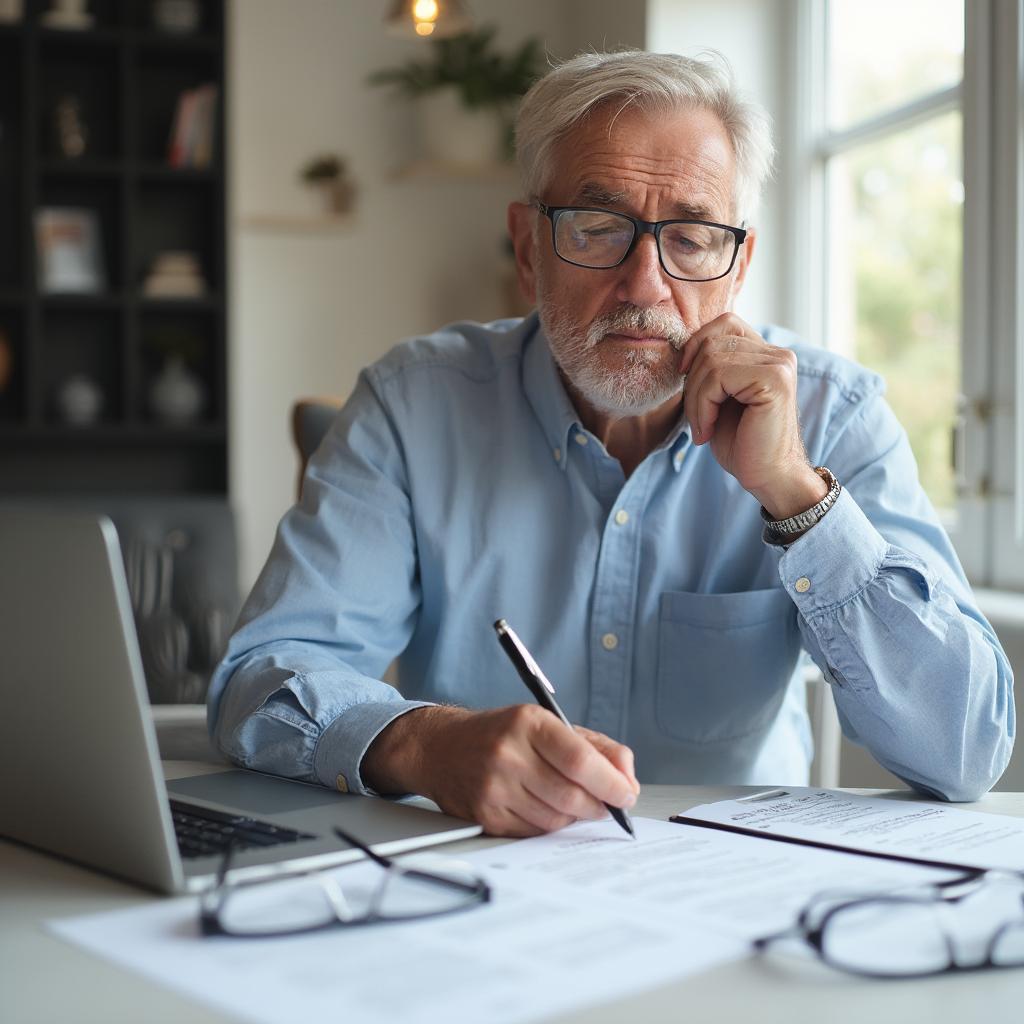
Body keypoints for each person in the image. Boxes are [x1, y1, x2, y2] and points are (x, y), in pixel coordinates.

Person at [208, 50, 1014, 837]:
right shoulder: (413, 405)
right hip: (474, 877)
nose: (644, 284)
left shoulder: (835, 414)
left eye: (692, 238)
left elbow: (966, 751)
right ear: (528, 249)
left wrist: (799, 498)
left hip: (738, 891)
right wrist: (425, 744)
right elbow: (260, 681)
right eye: (598, 229)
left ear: (738, 266)